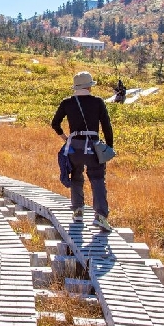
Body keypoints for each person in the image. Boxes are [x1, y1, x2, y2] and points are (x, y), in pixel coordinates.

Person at [51, 71, 114, 231]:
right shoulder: (98, 102)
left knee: (76, 177)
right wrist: (108, 147)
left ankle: (78, 211)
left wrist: (66, 138)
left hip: (74, 147)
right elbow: (107, 126)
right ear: (89, 87)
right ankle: (100, 216)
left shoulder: (67, 102)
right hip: (92, 146)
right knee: (97, 179)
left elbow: (55, 123)